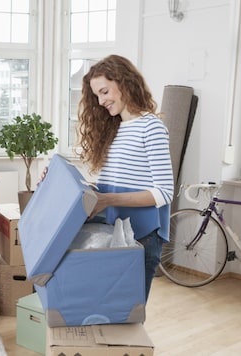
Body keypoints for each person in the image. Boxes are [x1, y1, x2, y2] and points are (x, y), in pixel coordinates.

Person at [77, 54, 174, 300]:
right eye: (97, 95)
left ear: (123, 82)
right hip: (117, 231)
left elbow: (164, 193)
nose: (100, 101)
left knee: (128, 317)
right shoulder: (114, 130)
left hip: (142, 236)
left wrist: (108, 200)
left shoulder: (151, 127)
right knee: (112, 309)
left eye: (105, 91)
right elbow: (110, 186)